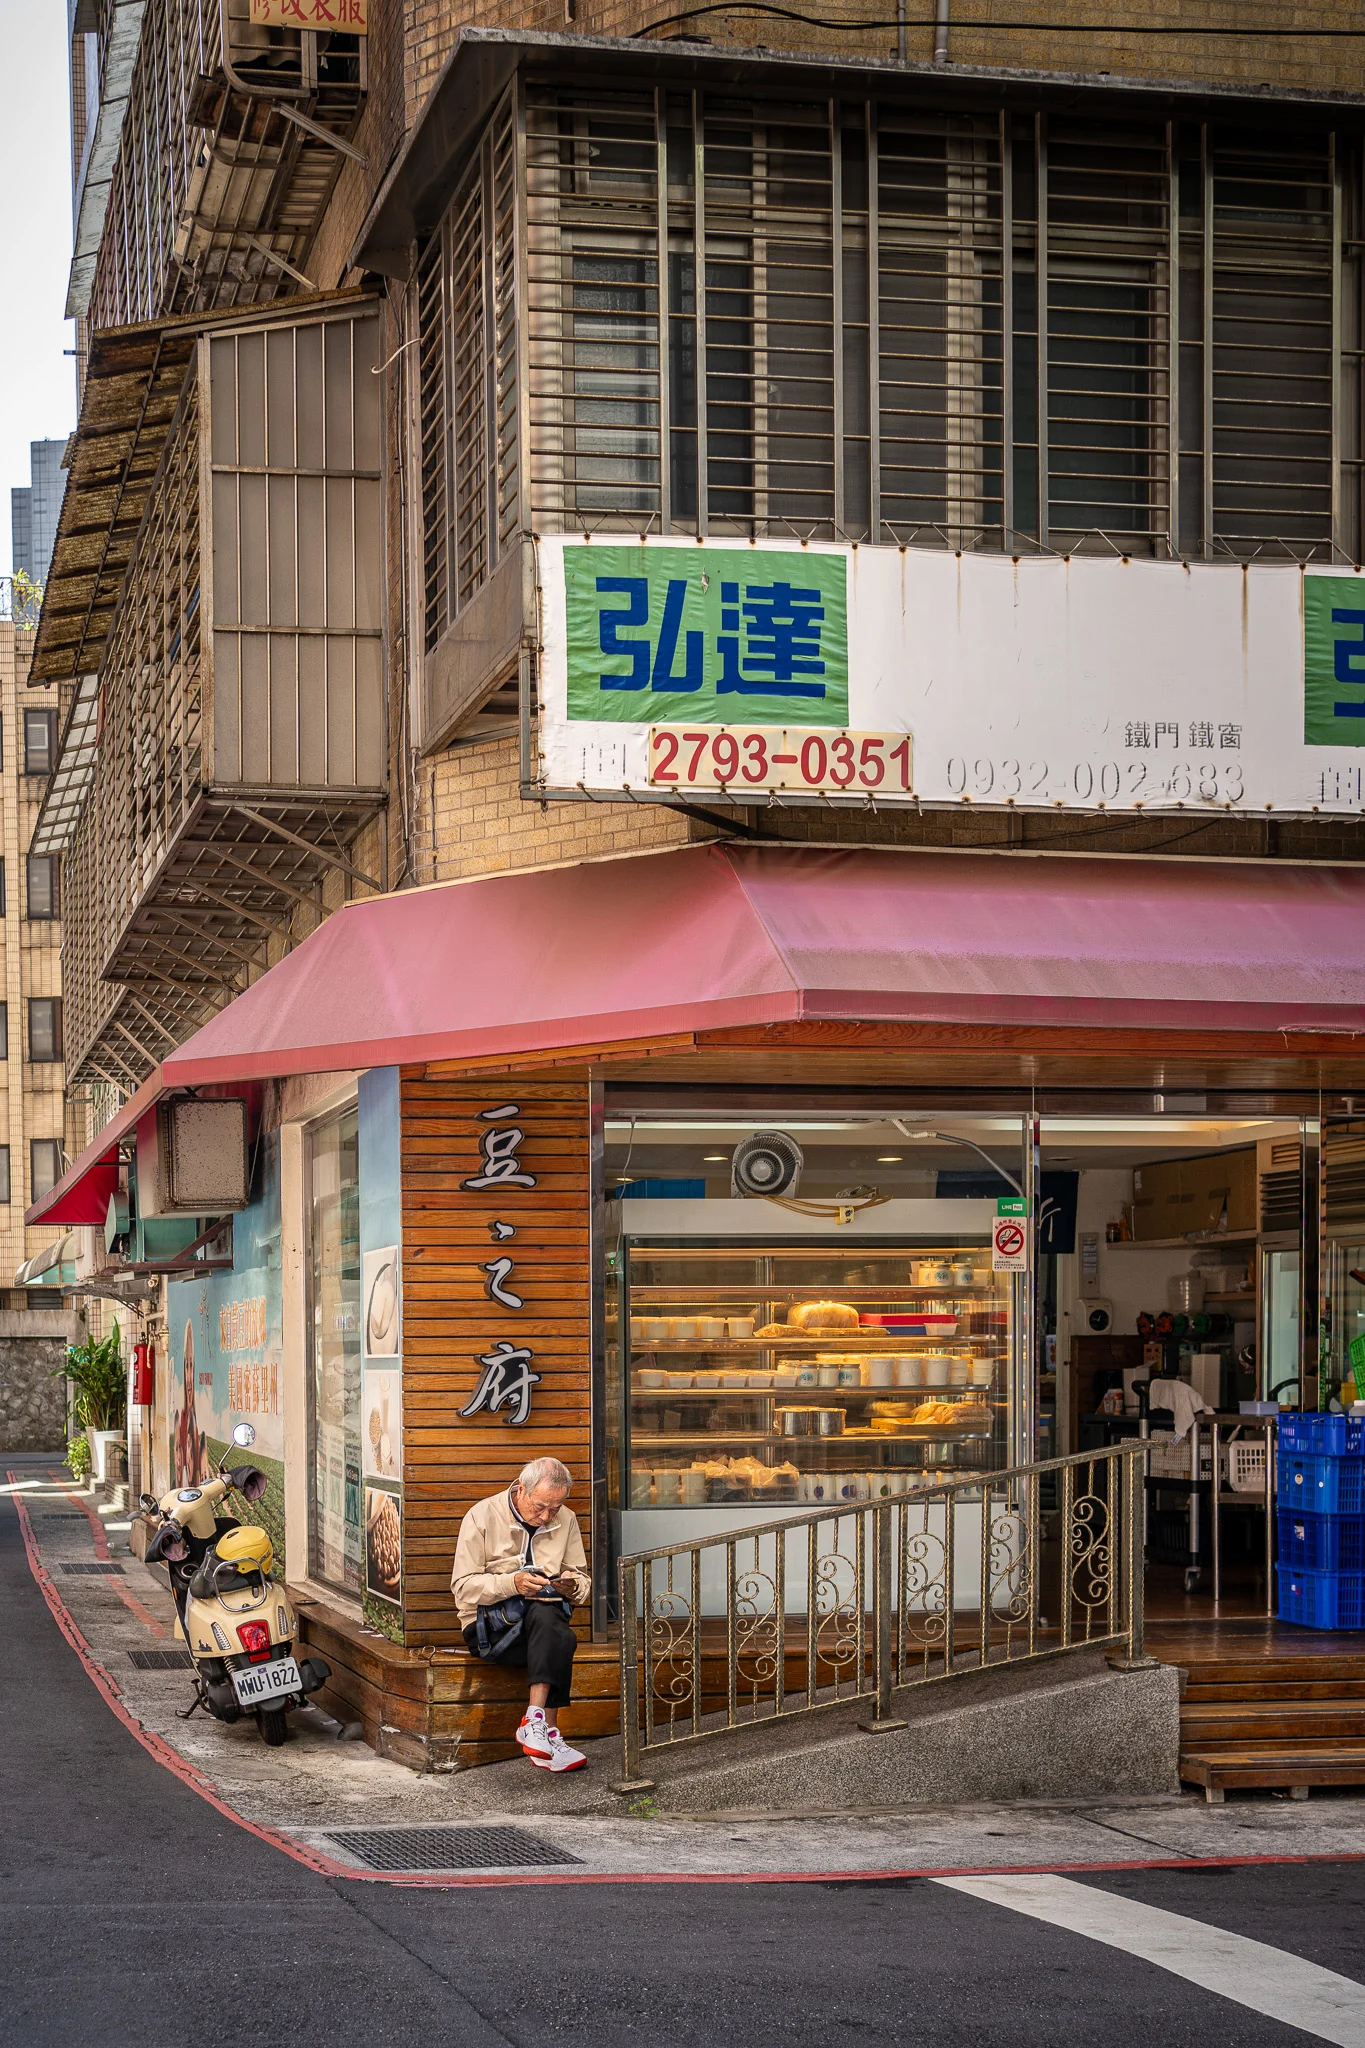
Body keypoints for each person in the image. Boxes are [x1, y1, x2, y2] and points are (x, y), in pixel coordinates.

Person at [451, 1456, 592, 1773]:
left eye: (554, 1508)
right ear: (521, 1489)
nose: (545, 1517)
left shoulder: (565, 1519)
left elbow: (581, 1578)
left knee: (555, 1625)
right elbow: (462, 1586)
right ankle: (547, 1731)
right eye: (540, 1507)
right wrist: (511, 1583)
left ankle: (539, 1726)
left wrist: (573, 1587)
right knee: (556, 1628)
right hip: (490, 1632)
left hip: (539, 1633)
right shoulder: (482, 1516)